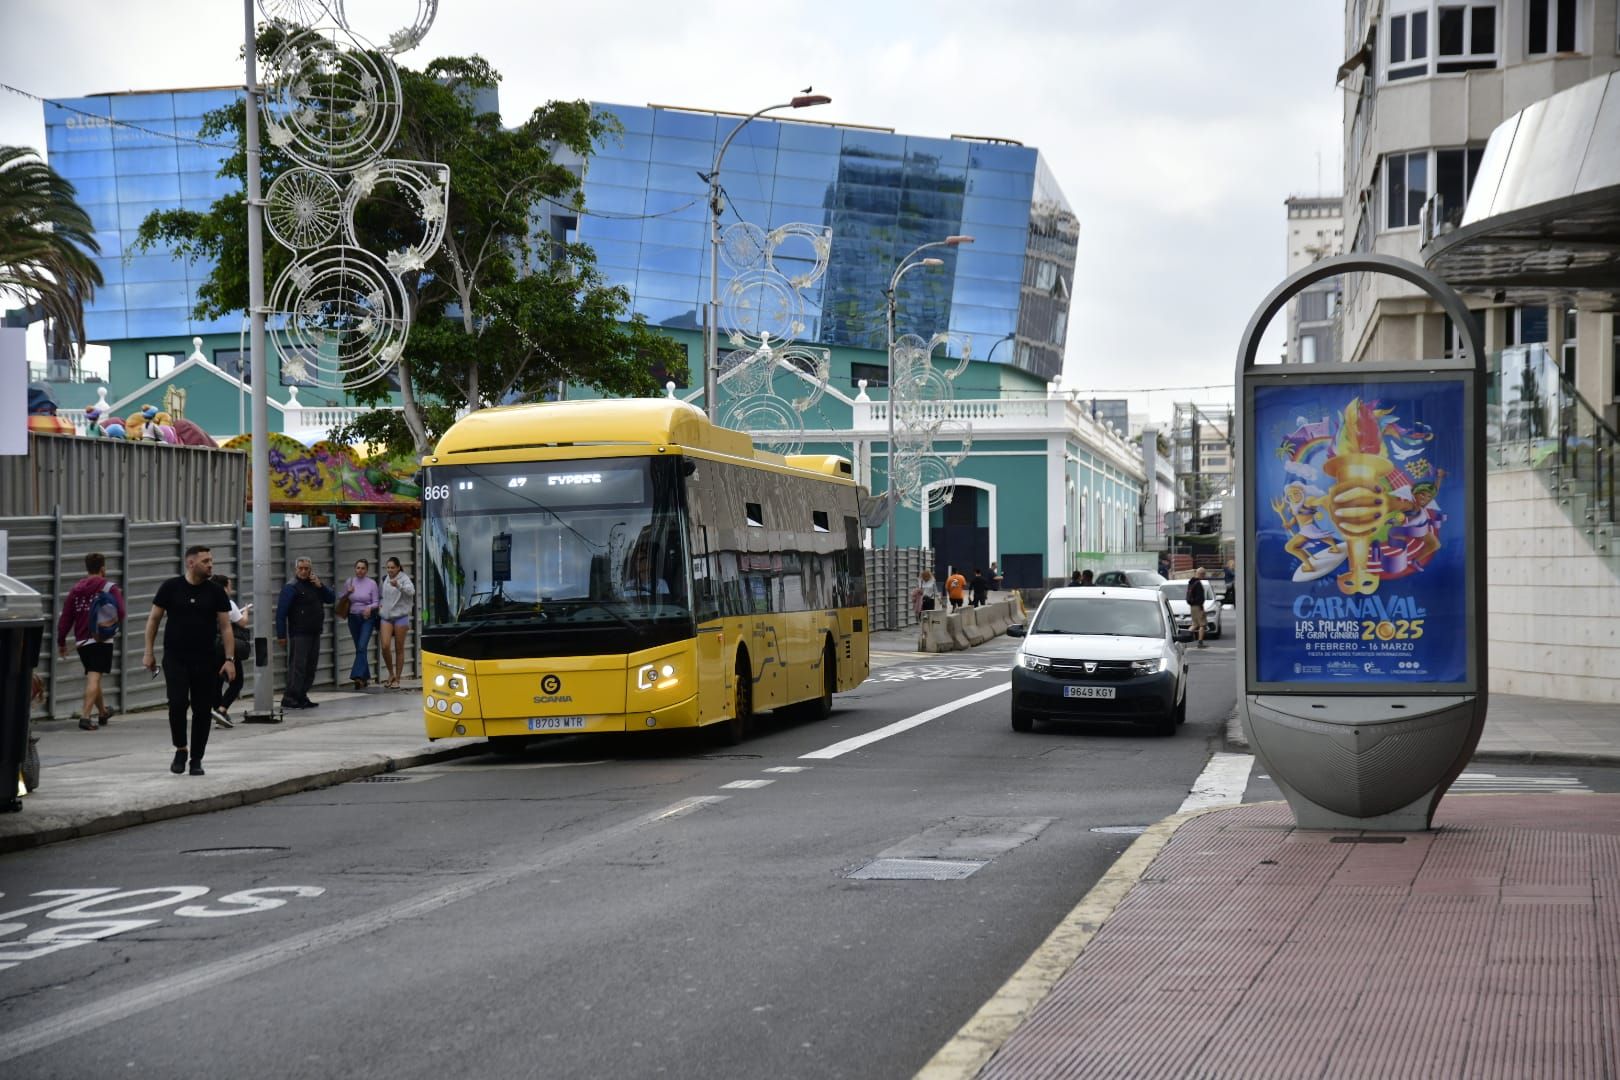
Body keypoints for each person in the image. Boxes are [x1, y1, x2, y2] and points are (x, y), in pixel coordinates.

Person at [143, 545, 233, 776]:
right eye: (205, 561)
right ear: (191, 563)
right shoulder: (171, 587)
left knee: (202, 709)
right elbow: (154, 619)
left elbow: (225, 627)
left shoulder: (215, 592)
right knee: (177, 702)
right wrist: (148, 651)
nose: (210, 564)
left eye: (211, 560)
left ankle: (197, 758)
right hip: (175, 657)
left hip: (205, 659)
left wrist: (229, 659)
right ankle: (180, 749)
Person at [55, 552, 124, 731]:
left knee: (94, 675)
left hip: (81, 643)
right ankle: (85, 717)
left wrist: (61, 641)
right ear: (103, 568)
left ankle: (102, 712)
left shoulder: (76, 590)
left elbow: (66, 618)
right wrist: (109, 624)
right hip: (101, 640)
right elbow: (121, 612)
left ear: (87, 568)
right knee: (94, 677)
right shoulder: (109, 587)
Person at [276, 557, 334, 710]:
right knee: (298, 666)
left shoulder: (315, 585)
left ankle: (302, 694)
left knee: (310, 667)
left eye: (306, 568)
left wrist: (321, 586)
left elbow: (331, 598)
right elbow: (281, 613)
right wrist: (281, 634)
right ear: (296, 569)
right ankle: (290, 696)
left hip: (315, 631)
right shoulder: (291, 587)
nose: (303, 571)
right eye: (300, 568)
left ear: (310, 569)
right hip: (299, 633)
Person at [210, 575, 252, 728]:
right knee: (237, 681)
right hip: (226, 647)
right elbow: (242, 622)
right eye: (229, 586)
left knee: (216, 681)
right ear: (224, 587)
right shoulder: (228, 603)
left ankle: (217, 710)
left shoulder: (205, 602)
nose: (231, 589)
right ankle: (222, 709)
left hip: (210, 647)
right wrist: (246, 611)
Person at [339, 559, 381, 690]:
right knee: (359, 648)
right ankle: (364, 678)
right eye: (358, 568)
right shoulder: (349, 582)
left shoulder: (372, 583)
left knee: (362, 646)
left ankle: (357, 676)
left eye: (363, 568)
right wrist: (348, 592)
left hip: (367, 618)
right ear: (354, 569)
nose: (360, 570)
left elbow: (376, 602)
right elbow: (341, 598)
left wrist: (369, 608)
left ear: (367, 570)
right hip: (353, 617)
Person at [378, 556, 415, 690]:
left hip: (401, 616)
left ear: (398, 568)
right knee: (385, 646)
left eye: (392, 567)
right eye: (388, 567)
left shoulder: (404, 579)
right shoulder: (385, 579)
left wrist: (398, 585)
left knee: (399, 648)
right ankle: (391, 674)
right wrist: (380, 606)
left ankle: (397, 678)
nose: (390, 570)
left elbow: (412, 592)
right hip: (386, 616)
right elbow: (383, 596)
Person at [1186, 569, 1208, 648]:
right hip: (1198, 606)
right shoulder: (1198, 584)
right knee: (1202, 624)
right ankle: (1200, 643)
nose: (1204, 576)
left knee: (1194, 624)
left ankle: (1184, 640)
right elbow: (1200, 598)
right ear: (1201, 574)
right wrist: (1202, 609)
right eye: (1204, 574)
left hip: (1192, 606)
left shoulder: (1191, 582)